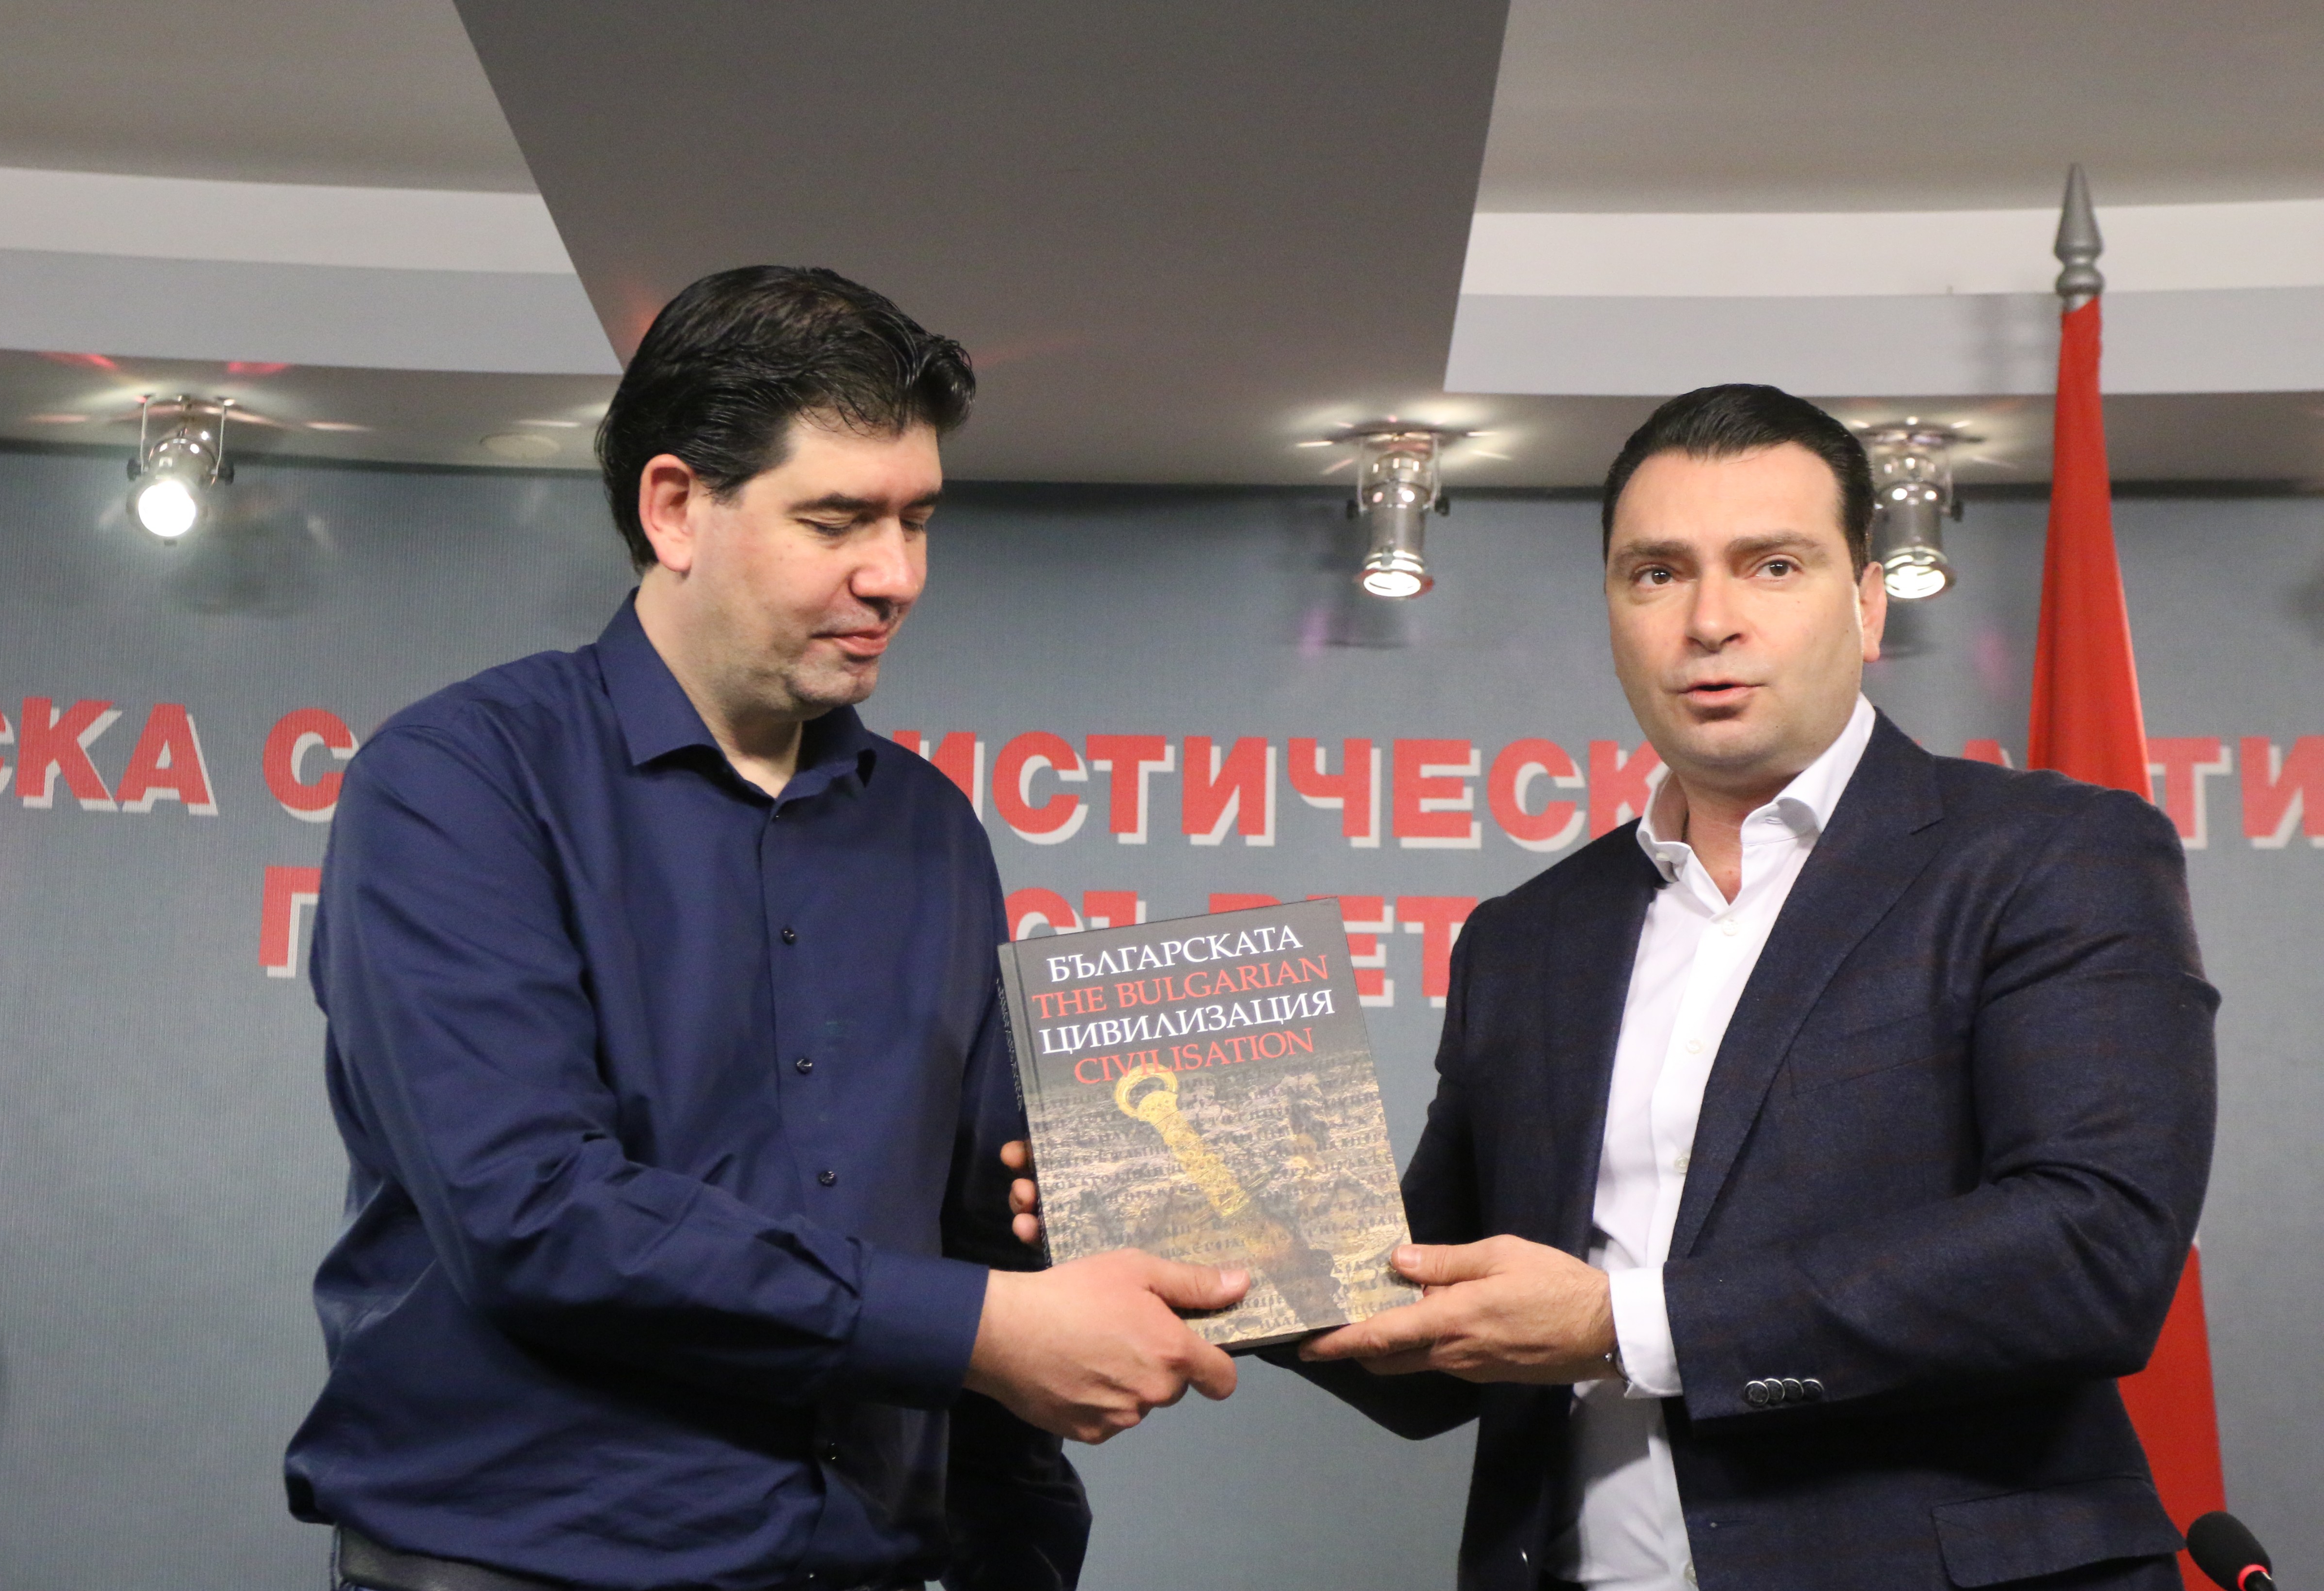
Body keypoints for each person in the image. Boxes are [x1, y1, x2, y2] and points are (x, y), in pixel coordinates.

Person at [284, 266, 1247, 1591]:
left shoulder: (931, 827)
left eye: (917, 519)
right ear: (675, 507)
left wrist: (1112, 1259)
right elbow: (533, 1215)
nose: (895, 574)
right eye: (836, 519)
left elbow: (976, 1228)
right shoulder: (458, 780)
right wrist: (982, 1324)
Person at [1296, 384, 2216, 1591]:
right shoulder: (1524, 937)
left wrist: (1621, 1325)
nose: (1709, 621)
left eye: (1771, 566)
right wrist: (1196, 1221)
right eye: (1655, 573)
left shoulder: (2050, 854)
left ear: (1866, 603)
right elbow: (1428, 1316)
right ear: (1613, 611)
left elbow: (2091, 1250)